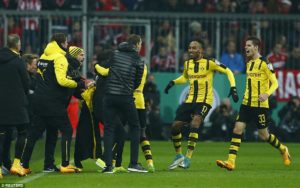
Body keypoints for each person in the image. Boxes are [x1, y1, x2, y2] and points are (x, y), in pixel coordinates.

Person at [216, 36, 291, 171]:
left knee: (264, 135)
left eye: (249, 45)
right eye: (246, 45)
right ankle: (231, 162)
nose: (246, 47)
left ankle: (283, 149)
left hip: (260, 106)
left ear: (256, 47)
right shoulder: (249, 63)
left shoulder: (265, 63)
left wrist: (267, 94)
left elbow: (275, 83)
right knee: (237, 129)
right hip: (246, 104)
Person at [165, 40, 238, 169]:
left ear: (201, 50)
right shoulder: (187, 64)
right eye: (189, 47)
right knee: (175, 126)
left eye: (194, 48)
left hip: (204, 100)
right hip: (190, 100)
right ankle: (178, 155)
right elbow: (185, 77)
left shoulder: (210, 62)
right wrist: (173, 82)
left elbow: (229, 71)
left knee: (195, 122)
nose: (191, 50)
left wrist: (233, 88)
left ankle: (187, 158)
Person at [21, 33, 86, 173]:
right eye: (66, 42)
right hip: (53, 102)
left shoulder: (43, 57)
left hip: (39, 100)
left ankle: (25, 165)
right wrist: (77, 83)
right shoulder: (59, 58)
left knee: (39, 133)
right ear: (61, 43)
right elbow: (61, 80)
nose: (67, 45)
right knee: (67, 130)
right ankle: (65, 164)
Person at [95, 57, 155, 173]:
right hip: (137, 101)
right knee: (136, 132)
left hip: (126, 99)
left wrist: (96, 66)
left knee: (120, 132)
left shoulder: (120, 68)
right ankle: (144, 163)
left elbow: (105, 72)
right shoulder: (141, 66)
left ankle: (112, 161)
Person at [101, 34, 147, 173]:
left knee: (109, 129)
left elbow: (108, 70)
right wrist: (128, 89)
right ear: (137, 44)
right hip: (125, 96)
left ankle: (108, 166)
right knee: (135, 127)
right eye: (140, 44)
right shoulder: (138, 59)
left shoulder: (115, 54)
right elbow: (138, 81)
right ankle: (133, 163)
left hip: (109, 95)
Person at [0, 34, 29, 178]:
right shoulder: (18, 61)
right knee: (23, 132)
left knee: (1, 135)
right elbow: (26, 83)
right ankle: (17, 165)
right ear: (17, 45)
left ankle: (1, 167)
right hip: (17, 103)